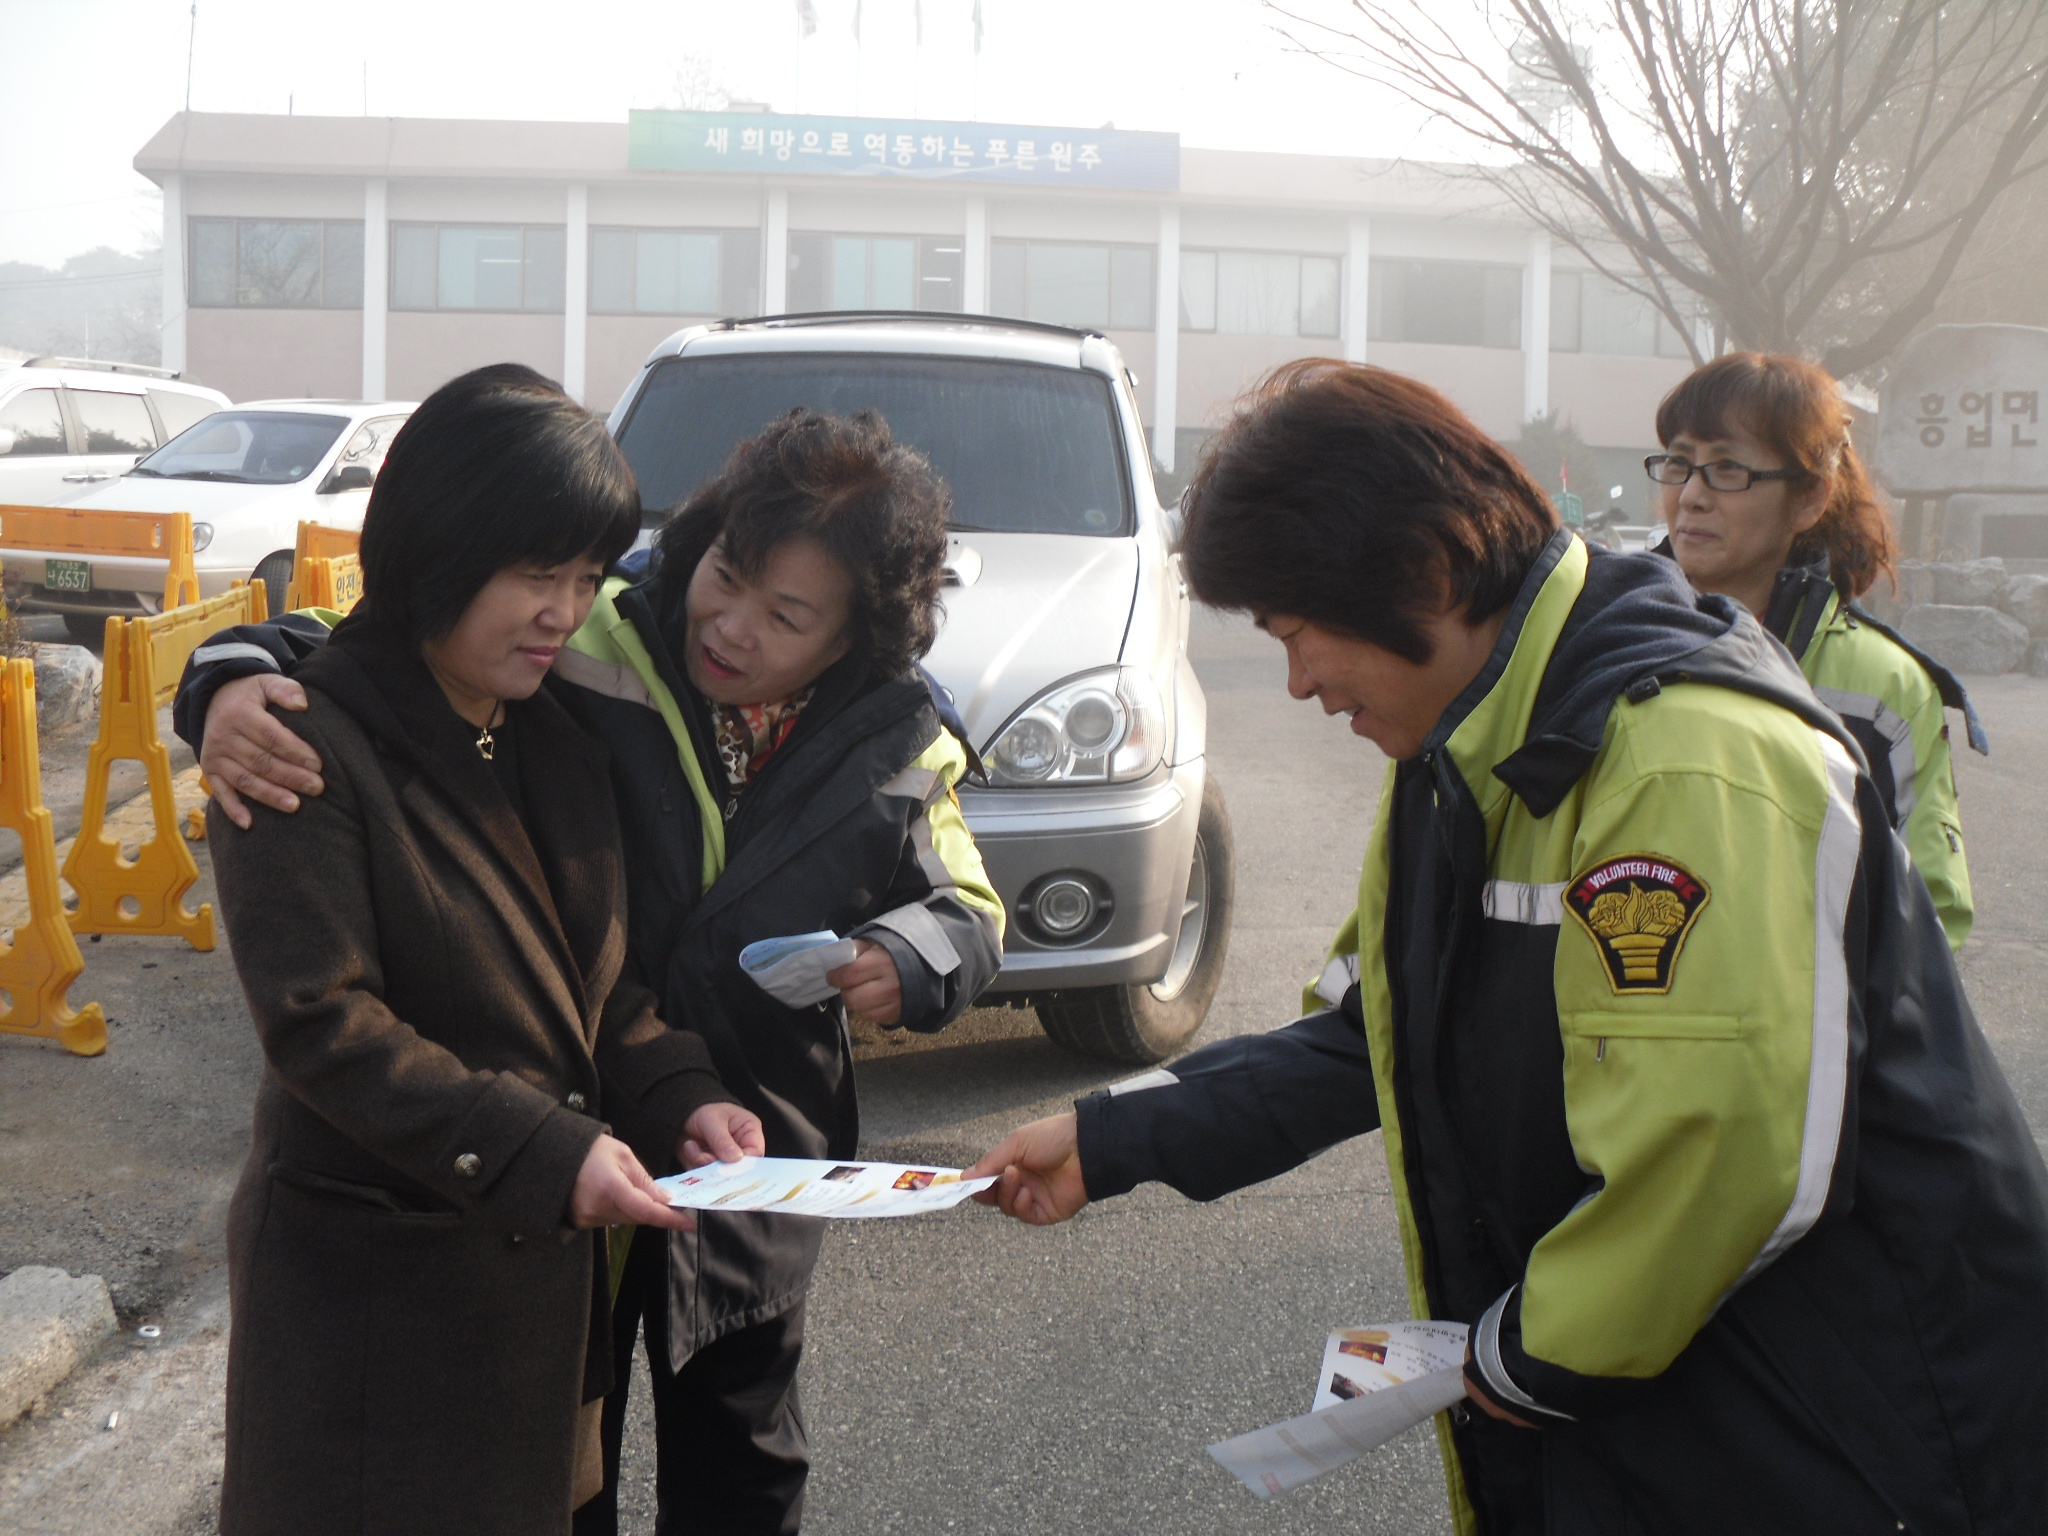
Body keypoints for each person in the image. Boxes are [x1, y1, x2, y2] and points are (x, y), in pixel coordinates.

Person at [967, 360, 2048, 1534]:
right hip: (1677, 1392)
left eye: (1299, 631)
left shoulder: (1681, 758)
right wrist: (1114, 1136)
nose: (1297, 682)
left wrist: (1528, 1359)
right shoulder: (1466, 745)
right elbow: (1377, 1028)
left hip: (1840, 1425)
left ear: (1424, 571)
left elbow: (1721, 1154)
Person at [178, 407, 1005, 1536]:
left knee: (742, 1450)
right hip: (532, 1169)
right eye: (725, 576)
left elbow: (965, 909)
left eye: (786, 616)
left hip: (741, 1144)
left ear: (851, 641)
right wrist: (223, 678)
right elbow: (355, 640)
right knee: (556, 1448)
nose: (732, 627)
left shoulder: (893, 739)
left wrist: (891, 964)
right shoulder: (584, 653)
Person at [206, 364, 765, 1536]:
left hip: (528, 1303)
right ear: (438, 549)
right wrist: (542, 1149)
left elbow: (596, 988)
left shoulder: (547, 737)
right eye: (535, 574)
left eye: (586, 578)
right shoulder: (300, 742)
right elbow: (323, 1024)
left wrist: (683, 1095)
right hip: (375, 1309)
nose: (566, 611)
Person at [1649, 350, 1981, 948]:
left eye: (1727, 468)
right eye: (1679, 463)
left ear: (1808, 499)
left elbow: (1929, 917)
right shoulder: (1609, 643)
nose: (1691, 495)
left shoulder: (1885, 687)